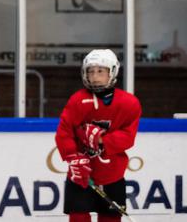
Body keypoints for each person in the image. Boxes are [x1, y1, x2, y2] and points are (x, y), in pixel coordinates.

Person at [55, 49, 142, 222]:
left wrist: (102, 140)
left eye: (100, 71)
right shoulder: (77, 100)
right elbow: (63, 133)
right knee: (78, 217)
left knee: (110, 217)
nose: (95, 76)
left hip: (113, 174)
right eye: (91, 71)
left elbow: (128, 136)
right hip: (80, 173)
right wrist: (73, 157)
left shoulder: (129, 103)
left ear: (112, 72)